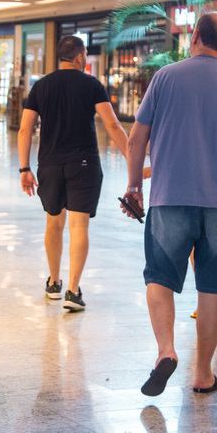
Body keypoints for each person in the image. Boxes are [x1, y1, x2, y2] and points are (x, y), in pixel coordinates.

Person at [121, 12, 217, 396]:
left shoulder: (165, 77)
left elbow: (136, 141)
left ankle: (166, 350)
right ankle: (203, 373)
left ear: (196, 35)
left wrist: (135, 186)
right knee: (212, 288)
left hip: (169, 198)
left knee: (159, 278)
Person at [18, 35, 129, 311]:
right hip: (84, 164)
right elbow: (113, 126)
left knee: (53, 223)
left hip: (50, 165)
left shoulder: (41, 86)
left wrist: (24, 168)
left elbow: (24, 129)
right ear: (79, 58)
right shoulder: (92, 85)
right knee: (78, 226)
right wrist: (133, 160)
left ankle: (54, 283)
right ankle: (73, 291)